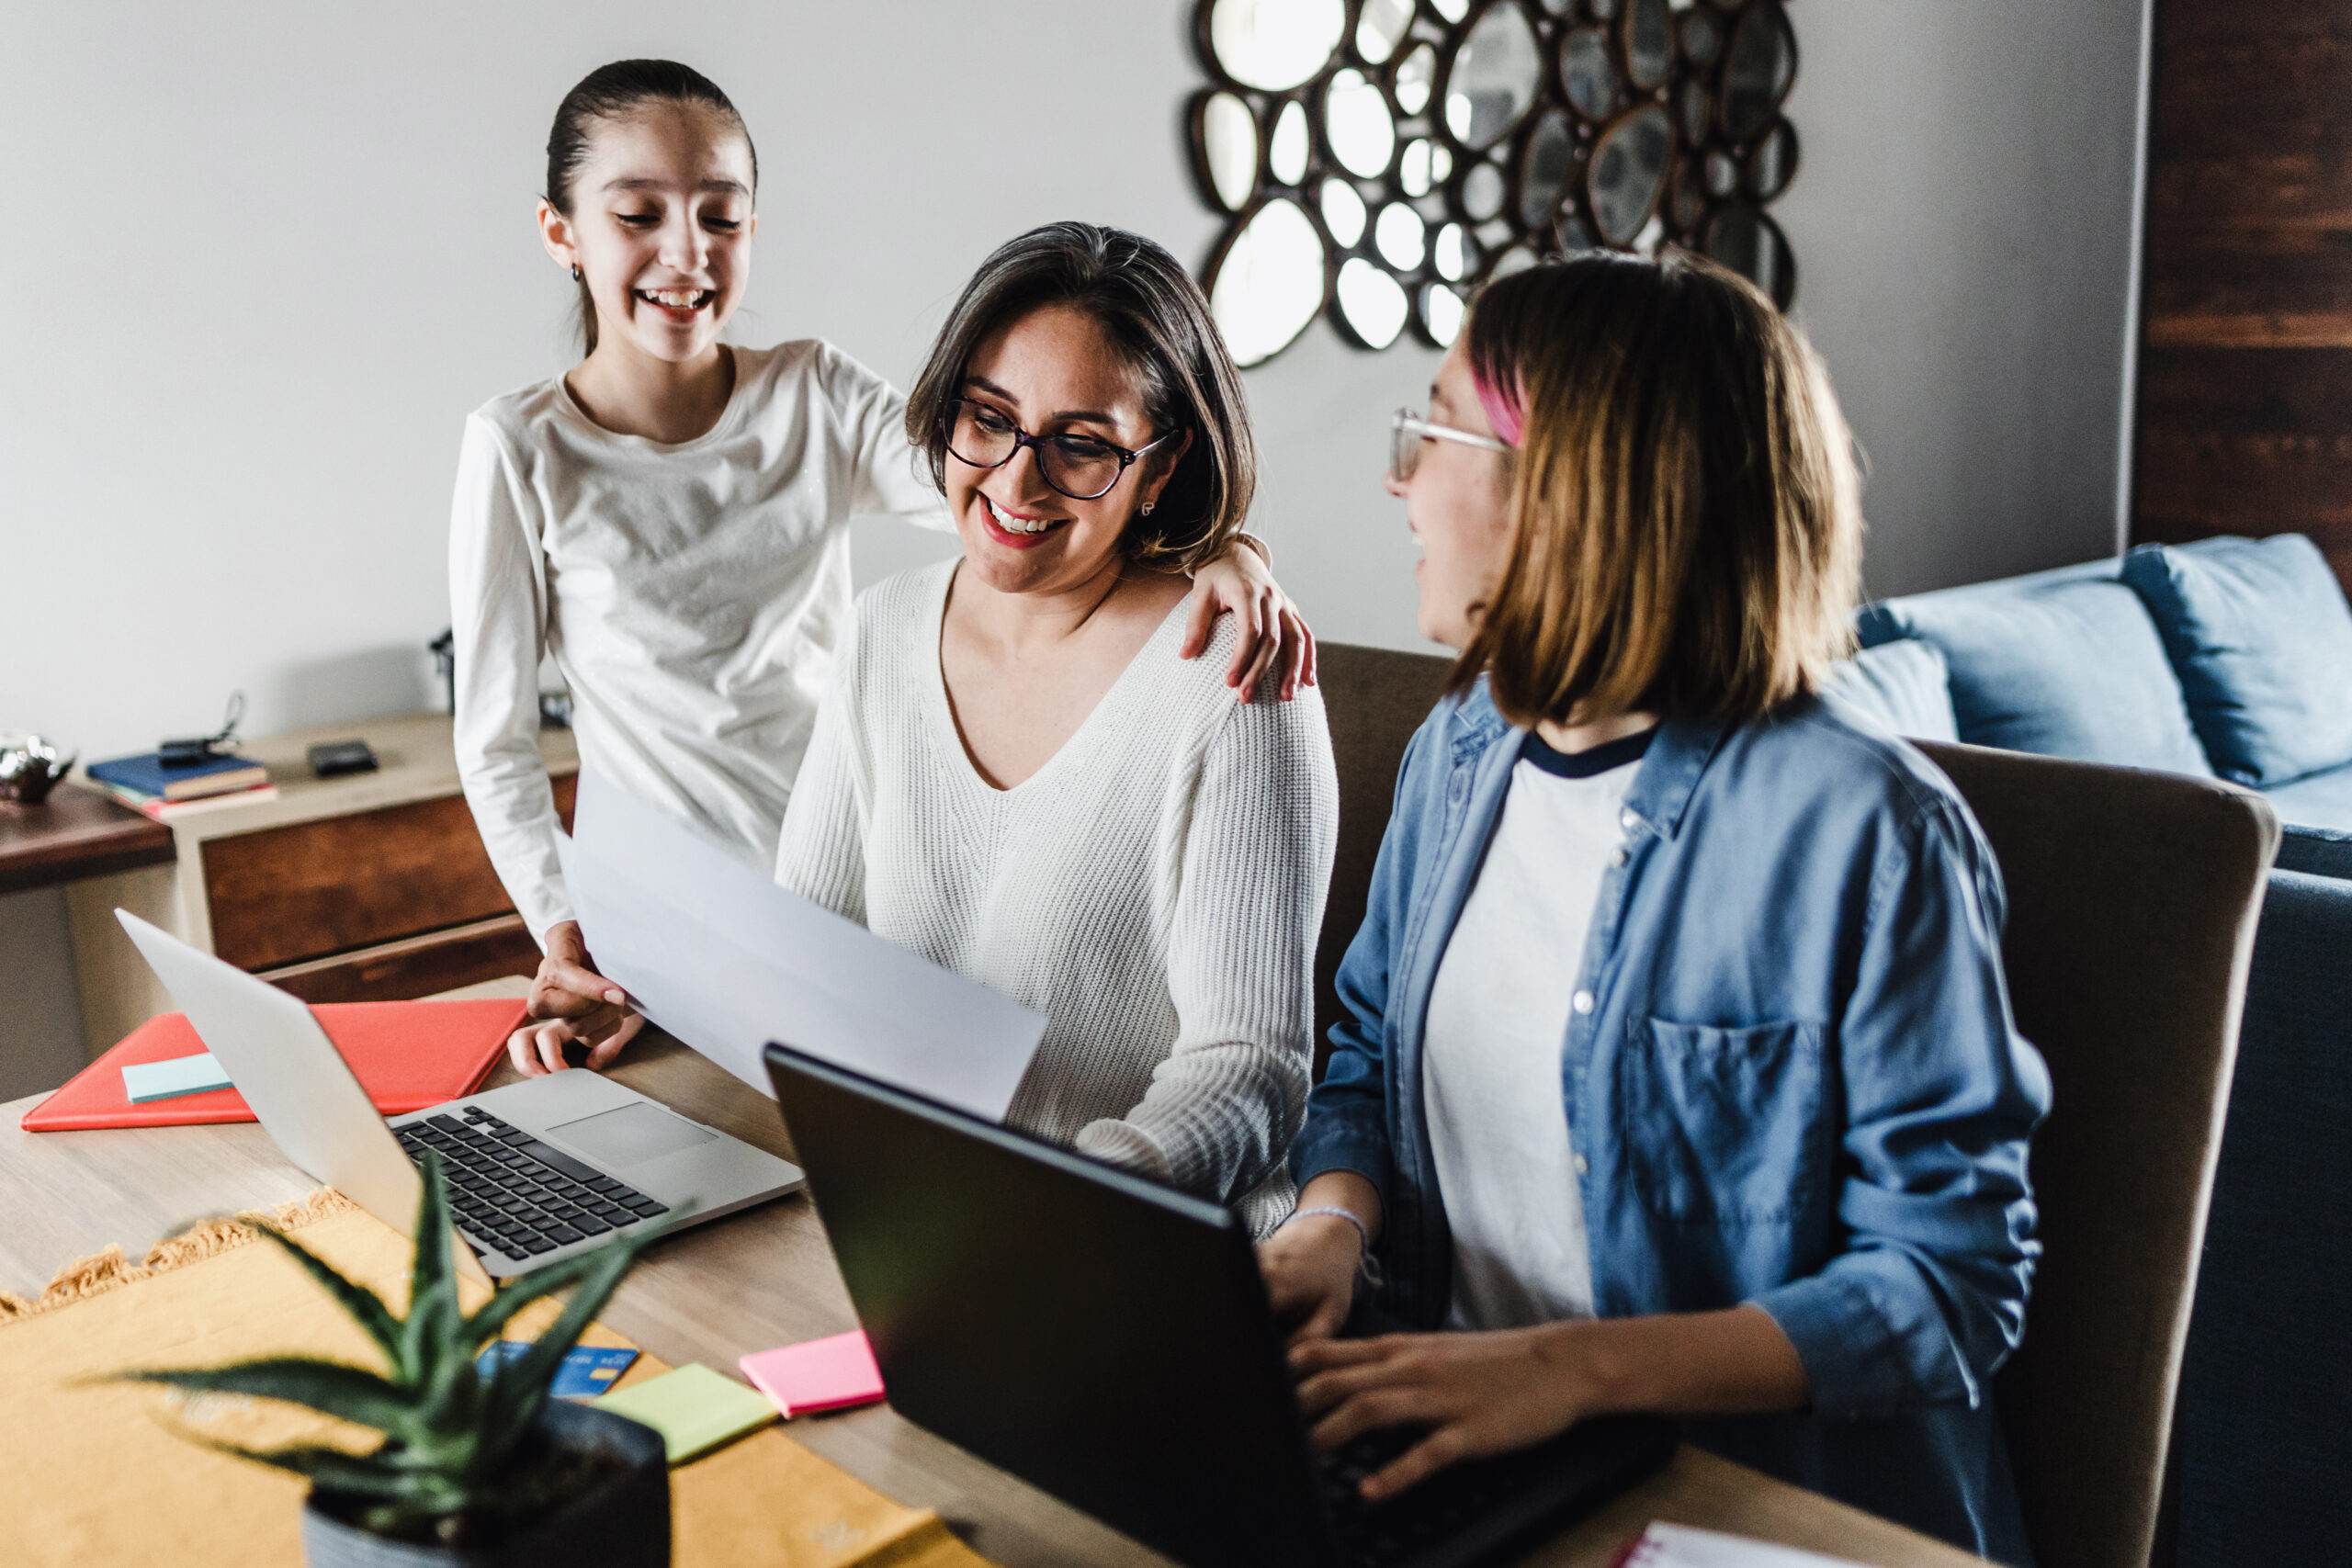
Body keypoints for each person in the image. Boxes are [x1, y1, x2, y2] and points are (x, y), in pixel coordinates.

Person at [1257, 253, 2051, 1562]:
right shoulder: (1461, 748)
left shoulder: (1869, 833)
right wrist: (1330, 1222)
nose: (1400, 477)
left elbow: (1947, 1279)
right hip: (1471, 1457)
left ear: (1570, 492)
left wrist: (1568, 1367)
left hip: (1751, 1509)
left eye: (1431, 429)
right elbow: (1360, 1051)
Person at [448, 62, 1313, 1078]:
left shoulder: (808, 394)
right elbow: (495, 743)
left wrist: (1228, 544)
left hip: (837, 916)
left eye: (721, 218)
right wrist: (564, 925)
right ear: (563, 234)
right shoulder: (518, 448)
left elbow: (1008, 489)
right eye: (638, 213)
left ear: (754, 231)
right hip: (662, 934)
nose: (686, 253)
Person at [774, 222, 1339, 1235]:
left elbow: (1251, 1072)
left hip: (1127, 1249)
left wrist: (1057, 1203)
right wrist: (634, 995)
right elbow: (800, 956)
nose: (1016, 484)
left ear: (1161, 469)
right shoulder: (883, 631)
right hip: (909, 1219)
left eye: (1081, 445)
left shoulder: (1237, 674)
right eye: (988, 419)